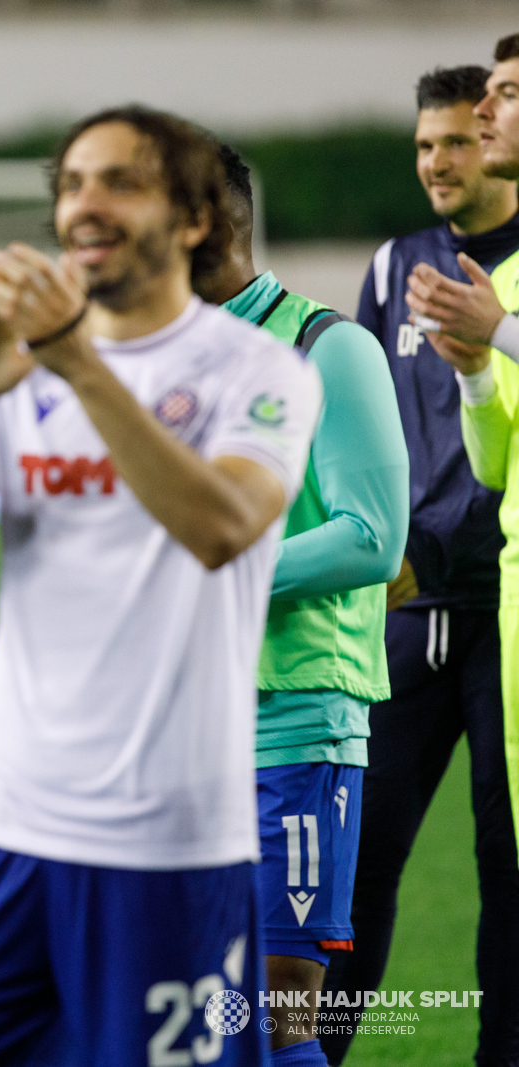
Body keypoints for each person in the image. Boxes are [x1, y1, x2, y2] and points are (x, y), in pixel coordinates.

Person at [0, 105, 321, 1065]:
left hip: (171, 847)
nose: (85, 204)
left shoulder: (256, 370)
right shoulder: (18, 379)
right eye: (72, 184)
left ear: (193, 219)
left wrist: (77, 362)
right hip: (7, 829)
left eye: (120, 182)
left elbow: (220, 527)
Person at [321, 55, 519, 1065]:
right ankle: (313, 1050)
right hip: (402, 609)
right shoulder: (393, 266)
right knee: (355, 861)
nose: (438, 161)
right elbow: (354, 418)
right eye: (424, 145)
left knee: (505, 862)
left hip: (505, 612)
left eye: (455, 139)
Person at [194, 142, 408, 1066]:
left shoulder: (331, 345)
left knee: (276, 1024)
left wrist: (212, 565)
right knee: (190, 1018)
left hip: (292, 719)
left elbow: (374, 535)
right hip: (172, 729)